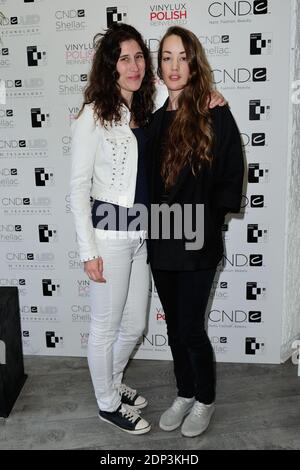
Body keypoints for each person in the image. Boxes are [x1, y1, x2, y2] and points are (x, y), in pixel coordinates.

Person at [70, 22, 226, 435]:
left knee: (136, 324)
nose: (134, 65)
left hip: (144, 235)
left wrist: (211, 97)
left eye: (140, 56)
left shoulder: (144, 109)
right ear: (110, 65)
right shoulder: (92, 114)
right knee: (105, 326)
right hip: (109, 236)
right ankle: (106, 402)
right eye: (124, 58)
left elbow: (183, 95)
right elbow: (76, 189)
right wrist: (89, 250)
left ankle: (113, 381)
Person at [147, 26, 244, 438]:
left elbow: (231, 172)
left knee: (190, 327)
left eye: (182, 56)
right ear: (159, 66)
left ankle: (204, 399)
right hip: (161, 240)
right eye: (167, 57)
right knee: (172, 327)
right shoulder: (151, 122)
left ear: (194, 62)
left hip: (198, 242)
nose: (174, 65)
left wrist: (208, 220)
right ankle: (184, 392)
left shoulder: (213, 111)